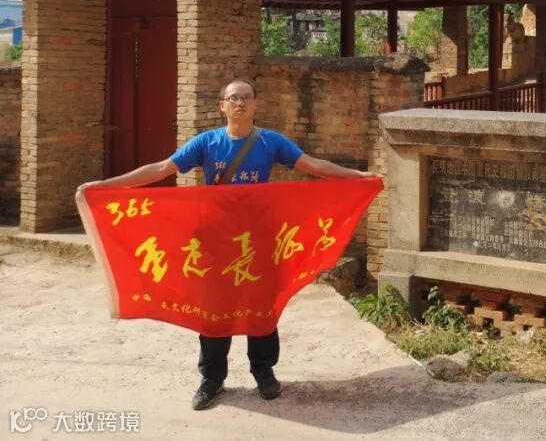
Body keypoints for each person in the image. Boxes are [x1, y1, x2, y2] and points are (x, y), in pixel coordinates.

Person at [78, 78, 373, 411]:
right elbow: (161, 169)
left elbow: (314, 165)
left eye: (246, 97)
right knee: (214, 309)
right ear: (222, 106)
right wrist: (107, 185)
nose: (240, 103)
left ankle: (263, 372)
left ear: (256, 104)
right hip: (215, 241)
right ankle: (212, 379)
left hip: (258, 240)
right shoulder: (206, 143)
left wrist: (357, 177)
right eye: (233, 98)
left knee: (261, 305)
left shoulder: (270, 142)